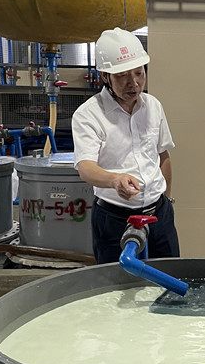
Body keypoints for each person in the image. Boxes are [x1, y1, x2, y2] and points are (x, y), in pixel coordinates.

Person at [72, 27, 179, 264]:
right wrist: (114, 179)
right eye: (122, 76)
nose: (134, 83)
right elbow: (85, 168)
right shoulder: (88, 114)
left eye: (139, 73)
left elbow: (163, 155)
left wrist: (168, 201)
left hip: (159, 213)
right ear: (105, 76)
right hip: (115, 218)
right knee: (117, 282)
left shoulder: (153, 106)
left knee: (169, 274)